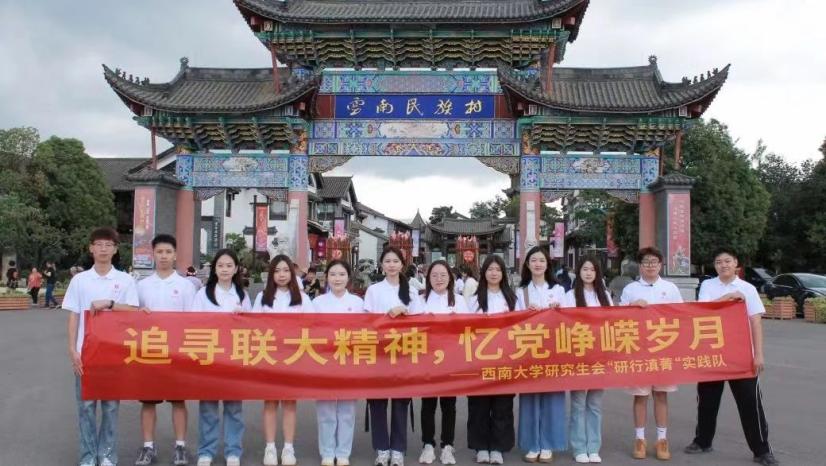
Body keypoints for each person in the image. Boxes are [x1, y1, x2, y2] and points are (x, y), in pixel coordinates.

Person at [684, 248, 779, 466]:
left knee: (750, 402)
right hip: (713, 352)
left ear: (736, 263)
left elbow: (755, 322)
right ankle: (703, 441)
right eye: (719, 262)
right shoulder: (708, 286)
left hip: (741, 354)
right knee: (707, 400)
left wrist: (758, 354)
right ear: (714, 266)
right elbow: (704, 311)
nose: (723, 265)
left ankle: (762, 450)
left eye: (727, 261)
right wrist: (729, 298)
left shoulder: (748, 289)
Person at [63, 227, 140, 466]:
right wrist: (72, 349)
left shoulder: (125, 280)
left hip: (114, 353)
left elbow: (134, 310)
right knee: (86, 408)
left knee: (110, 408)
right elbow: (74, 315)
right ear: (91, 248)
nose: (103, 249)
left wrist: (109, 303)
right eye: (99, 244)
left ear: (115, 249)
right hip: (86, 353)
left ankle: (106, 455)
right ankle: (88, 457)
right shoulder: (80, 280)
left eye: (108, 245)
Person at [133, 234, 198, 466]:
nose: (163, 256)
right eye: (159, 252)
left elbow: (192, 321)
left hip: (177, 353)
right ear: (153, 254)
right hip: (149, 351)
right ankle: (148, 447)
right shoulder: (141, 286)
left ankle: (180, 446)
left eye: (168, 252)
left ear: (175, 255)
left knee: (178, 401)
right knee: (148, 402)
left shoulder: (185, 286)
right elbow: (131, 319)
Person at [618, 247, 683, 461]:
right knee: (640, 395)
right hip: (639, 349)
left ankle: (662, 439)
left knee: (661, 394)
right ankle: (640, 438)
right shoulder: (631, 289)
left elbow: (681, 316)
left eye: (654, 262)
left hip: (663, 349)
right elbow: (619, 318)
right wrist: (632, 306)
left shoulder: (670, 288)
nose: (650, 265)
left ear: (660, 264)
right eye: (646, 262)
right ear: (640, 265)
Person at [253, 255, 314, 466]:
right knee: (270, 403)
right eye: (277, 271)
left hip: (293, 358)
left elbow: (313, 325)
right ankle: (270, 448)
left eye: (286, 270)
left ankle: (288, 448)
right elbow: (253, 326)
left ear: (292, 273)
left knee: (289, 403)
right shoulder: (262, 297)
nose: (281, 275)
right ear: (271, 274)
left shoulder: (302, 299)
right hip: (268, 357)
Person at [192, 249, 252, 466]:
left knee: (234, 408)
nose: (224, 270)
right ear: (214, 269)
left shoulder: (242, 295)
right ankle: (206, 451)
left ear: (236, 269)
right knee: (208, 407)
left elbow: (252, 327)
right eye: (220, 265)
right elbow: (193, 325)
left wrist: (243, 318)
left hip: (234, 358)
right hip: (209, 357)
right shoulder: (202, 294)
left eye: (229, 266)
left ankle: (233, 451)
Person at [363, 246, 419, 466]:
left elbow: (422, 322)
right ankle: (382, 448)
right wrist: (387, 317)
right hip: (378, 354)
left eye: (396, 261)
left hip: (404, 353)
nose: (392, 265)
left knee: (400, 402)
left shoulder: (411, 291)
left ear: (402, 264)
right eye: (387, 261)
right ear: (382, 265)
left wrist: (405, 311)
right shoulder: (373, 290)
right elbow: (366, 322)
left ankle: (398, 449)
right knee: (377, 402)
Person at [414, 260, 470, 465]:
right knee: (428, 404)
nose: (439, 279)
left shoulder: (459, 301)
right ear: (428, 278)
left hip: (451, 361)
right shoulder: (420, 301)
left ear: (450, 278)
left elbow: (470, 329)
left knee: (449, 405)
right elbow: (410, 328)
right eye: (434, 275)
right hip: (427, 361)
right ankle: (428, 444)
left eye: (443, 275)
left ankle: (447, 445)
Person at [516, 247, 567, 463]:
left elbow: (570, 320)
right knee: (530, 398)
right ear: (527, 265)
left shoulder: (559, 290)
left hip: (554, 350)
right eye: (533, 260)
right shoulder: (521, 292)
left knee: (552, 399)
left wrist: (558, 310)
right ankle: (532, 444)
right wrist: (525, 314)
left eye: (541, 260)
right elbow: (513, 321)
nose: (538, 264)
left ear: (548, 264)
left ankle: (548, 444)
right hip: (530, 350)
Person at [466, 255, 518, 465]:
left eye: (498, 269)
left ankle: (498, 447)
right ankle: (480, 447)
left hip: (505, 361)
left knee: (502, 406)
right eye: (490, 269)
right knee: (479, 406)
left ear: (503, 273)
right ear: (484, 273)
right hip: (479, 362)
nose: (494, 273)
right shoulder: (474, 300)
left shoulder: (513, 299)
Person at [312, 260, 364, 466]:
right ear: (326, 277)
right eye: (333, 274)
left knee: (347, 410)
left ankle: (343, 452)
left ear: (348, 277)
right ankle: (327, 451)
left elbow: (366, 331)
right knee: (325, 409)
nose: (337, 279)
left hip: (349, 361)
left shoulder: (358, 303)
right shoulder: (318, 303)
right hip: (324, 361)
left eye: (341, 274)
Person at [563, 257, 613, 464]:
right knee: (578, 404)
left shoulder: (605, 296)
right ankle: (579, 447)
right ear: (579, 271)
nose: (588, 273)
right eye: (585, 269)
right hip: (578, 357)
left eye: (592, 269)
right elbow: (563, 324)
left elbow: (612, 323)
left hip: (599, 357)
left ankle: (594, 447)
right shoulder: (569, 296)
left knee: (594, 404)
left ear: (597, 272)